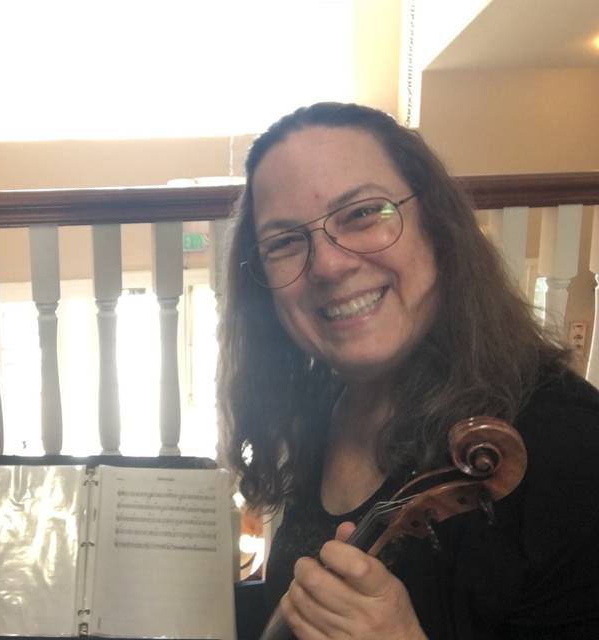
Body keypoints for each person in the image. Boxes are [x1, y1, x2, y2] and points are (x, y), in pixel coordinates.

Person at [219, 102, 599, 639]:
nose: (328, 264)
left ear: (437, 227)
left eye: (362, 213)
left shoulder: (576, 449)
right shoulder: (325, 406)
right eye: (284, 242)